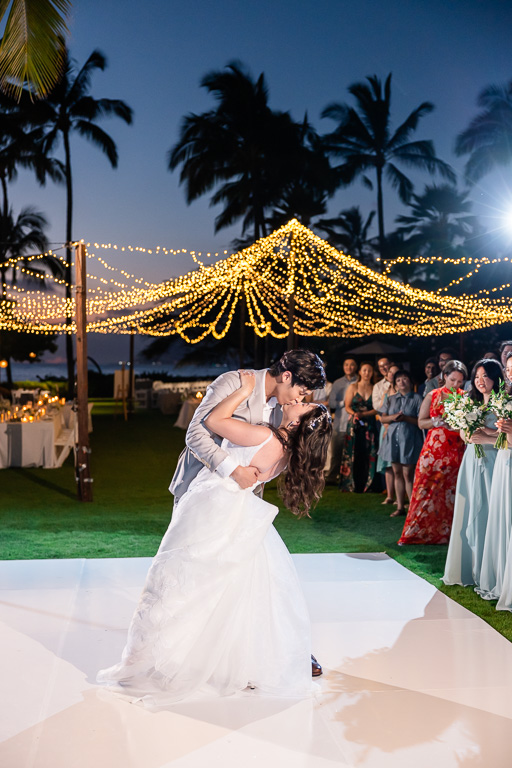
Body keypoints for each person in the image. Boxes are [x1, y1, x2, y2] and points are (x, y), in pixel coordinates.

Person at [97, 370, 332, 706]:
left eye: (304, 404)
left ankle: (159, 658)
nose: (300, 400)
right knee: (225, 590)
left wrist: (244, 390)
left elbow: (214, 420)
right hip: (232, 511)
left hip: (212, 509)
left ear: (296, 425)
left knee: (180, 582)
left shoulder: (265, 437)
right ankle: (213, 659)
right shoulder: (284, 454)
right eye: (304, 396)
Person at [167, 349, 327, 678]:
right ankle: (186, 650)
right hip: (203, 491)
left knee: (249, 579)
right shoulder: (234, 382)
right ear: (287, 377)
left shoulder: (284, 413)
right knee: (195, 577)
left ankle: (269, 650)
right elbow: (196, 433)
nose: (302, 396)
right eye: (302, 391)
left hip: (243, 501)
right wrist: (232, 471)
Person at [443, 359, 502, 587]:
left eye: (485, 376)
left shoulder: (503, 404)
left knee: (489, 509)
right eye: (477, 377)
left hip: (494, 459)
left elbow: (505, 438)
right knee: (469, 510)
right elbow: (463, 434)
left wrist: (486, 435)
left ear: (495, 378)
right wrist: (470, 435)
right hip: (472, 459)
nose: (480, 381)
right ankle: (471, 567)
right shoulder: (469, 402)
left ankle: (490, 569)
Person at [398, 360, 467, 545]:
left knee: (451, 493)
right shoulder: (433, 395)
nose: (455, 385)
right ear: (445, 376)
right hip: (433, 451)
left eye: (460, 382)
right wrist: (438, 422)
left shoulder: (465, 397)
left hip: (456, 450)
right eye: (452, 380)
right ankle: (417, 533)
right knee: (426, 491)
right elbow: (421, 422)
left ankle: (448, 536)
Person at [379, 369, 423, 517]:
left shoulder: (417, 398)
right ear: (395, 383)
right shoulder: (390, 399)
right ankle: (399, 506)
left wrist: (405, 418)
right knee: (397, 472)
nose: (402, 382)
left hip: (410, 439)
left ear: (410, 381)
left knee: (408, 474)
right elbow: (382, 418)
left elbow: (421, 422)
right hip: (393, 439)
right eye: (398, 380)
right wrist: (393, 417)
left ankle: (412, 507)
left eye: (404, 379)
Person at [339, 361, 378, 493]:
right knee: (353, 452)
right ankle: (351, 483)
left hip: (369, 424)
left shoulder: (375, 388)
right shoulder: (353, 387)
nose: (367, 373)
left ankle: (369, 484)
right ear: (360, 372)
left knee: (369, 452)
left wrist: (365, 414)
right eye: (364, 370)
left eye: (370, 371)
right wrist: (356, 414)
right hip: (355, 424)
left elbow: (377, 408)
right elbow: (347, 406)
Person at [325, 358, 358, 484]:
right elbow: (332, 403)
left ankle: (349, 477)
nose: (349, 367)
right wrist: (345, 403)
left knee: (352, 453)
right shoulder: (337, 383)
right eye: (346, 364)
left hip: (353, 423)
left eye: (352, 364)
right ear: (343, 367)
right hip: (340, 423)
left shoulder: (359, 382)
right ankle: (332, 477)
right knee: (336, 453)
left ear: (355, 367)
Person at [375, 362, 399, 505]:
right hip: (385, 427)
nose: (391, 374)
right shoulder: (385, 391)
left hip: (396, 428)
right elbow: (381, 410)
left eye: (394, 372)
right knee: (387, 464)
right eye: (390, 372)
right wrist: (385, 424)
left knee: (397, 463)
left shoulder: (401, 390)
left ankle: (399, 496)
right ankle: (389, 495)